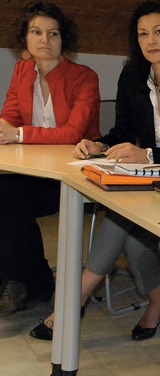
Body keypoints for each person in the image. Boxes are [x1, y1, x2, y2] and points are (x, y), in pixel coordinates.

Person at [29, 0, 160, 341]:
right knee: (131, 236)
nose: (151, 40)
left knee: (125, 225)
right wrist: (98, 146)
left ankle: (75, 298)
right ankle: (156, 300)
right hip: (148, 185)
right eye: (143, 34)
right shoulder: (132, 77)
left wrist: (148, 154)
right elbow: (122, 132)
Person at [0, 1, 100, 316]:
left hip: (77, 176)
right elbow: (10, 117)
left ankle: (27, 281)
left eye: (53, 33)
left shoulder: (84, 76)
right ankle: (27, 280)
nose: (45, 40)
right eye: (37, 32)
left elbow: (73, 132)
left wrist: (18, 135)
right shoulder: (21, 71)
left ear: (63, 39)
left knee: (9, 199)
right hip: (34, 173)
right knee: (5, 195)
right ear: (25, 41)